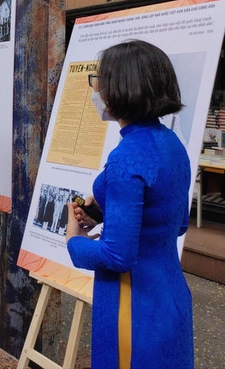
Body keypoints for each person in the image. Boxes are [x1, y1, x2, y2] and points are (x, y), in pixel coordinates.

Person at [66, 40, 193, 369]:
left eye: (99, 81)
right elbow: (177, 224)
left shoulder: (126, 156)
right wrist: (110, 213)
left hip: (131, 303)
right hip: (170, 295)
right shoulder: (171, 143)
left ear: (120, 88)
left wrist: (74, 242)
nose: (97, 90)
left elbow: (117, 255)